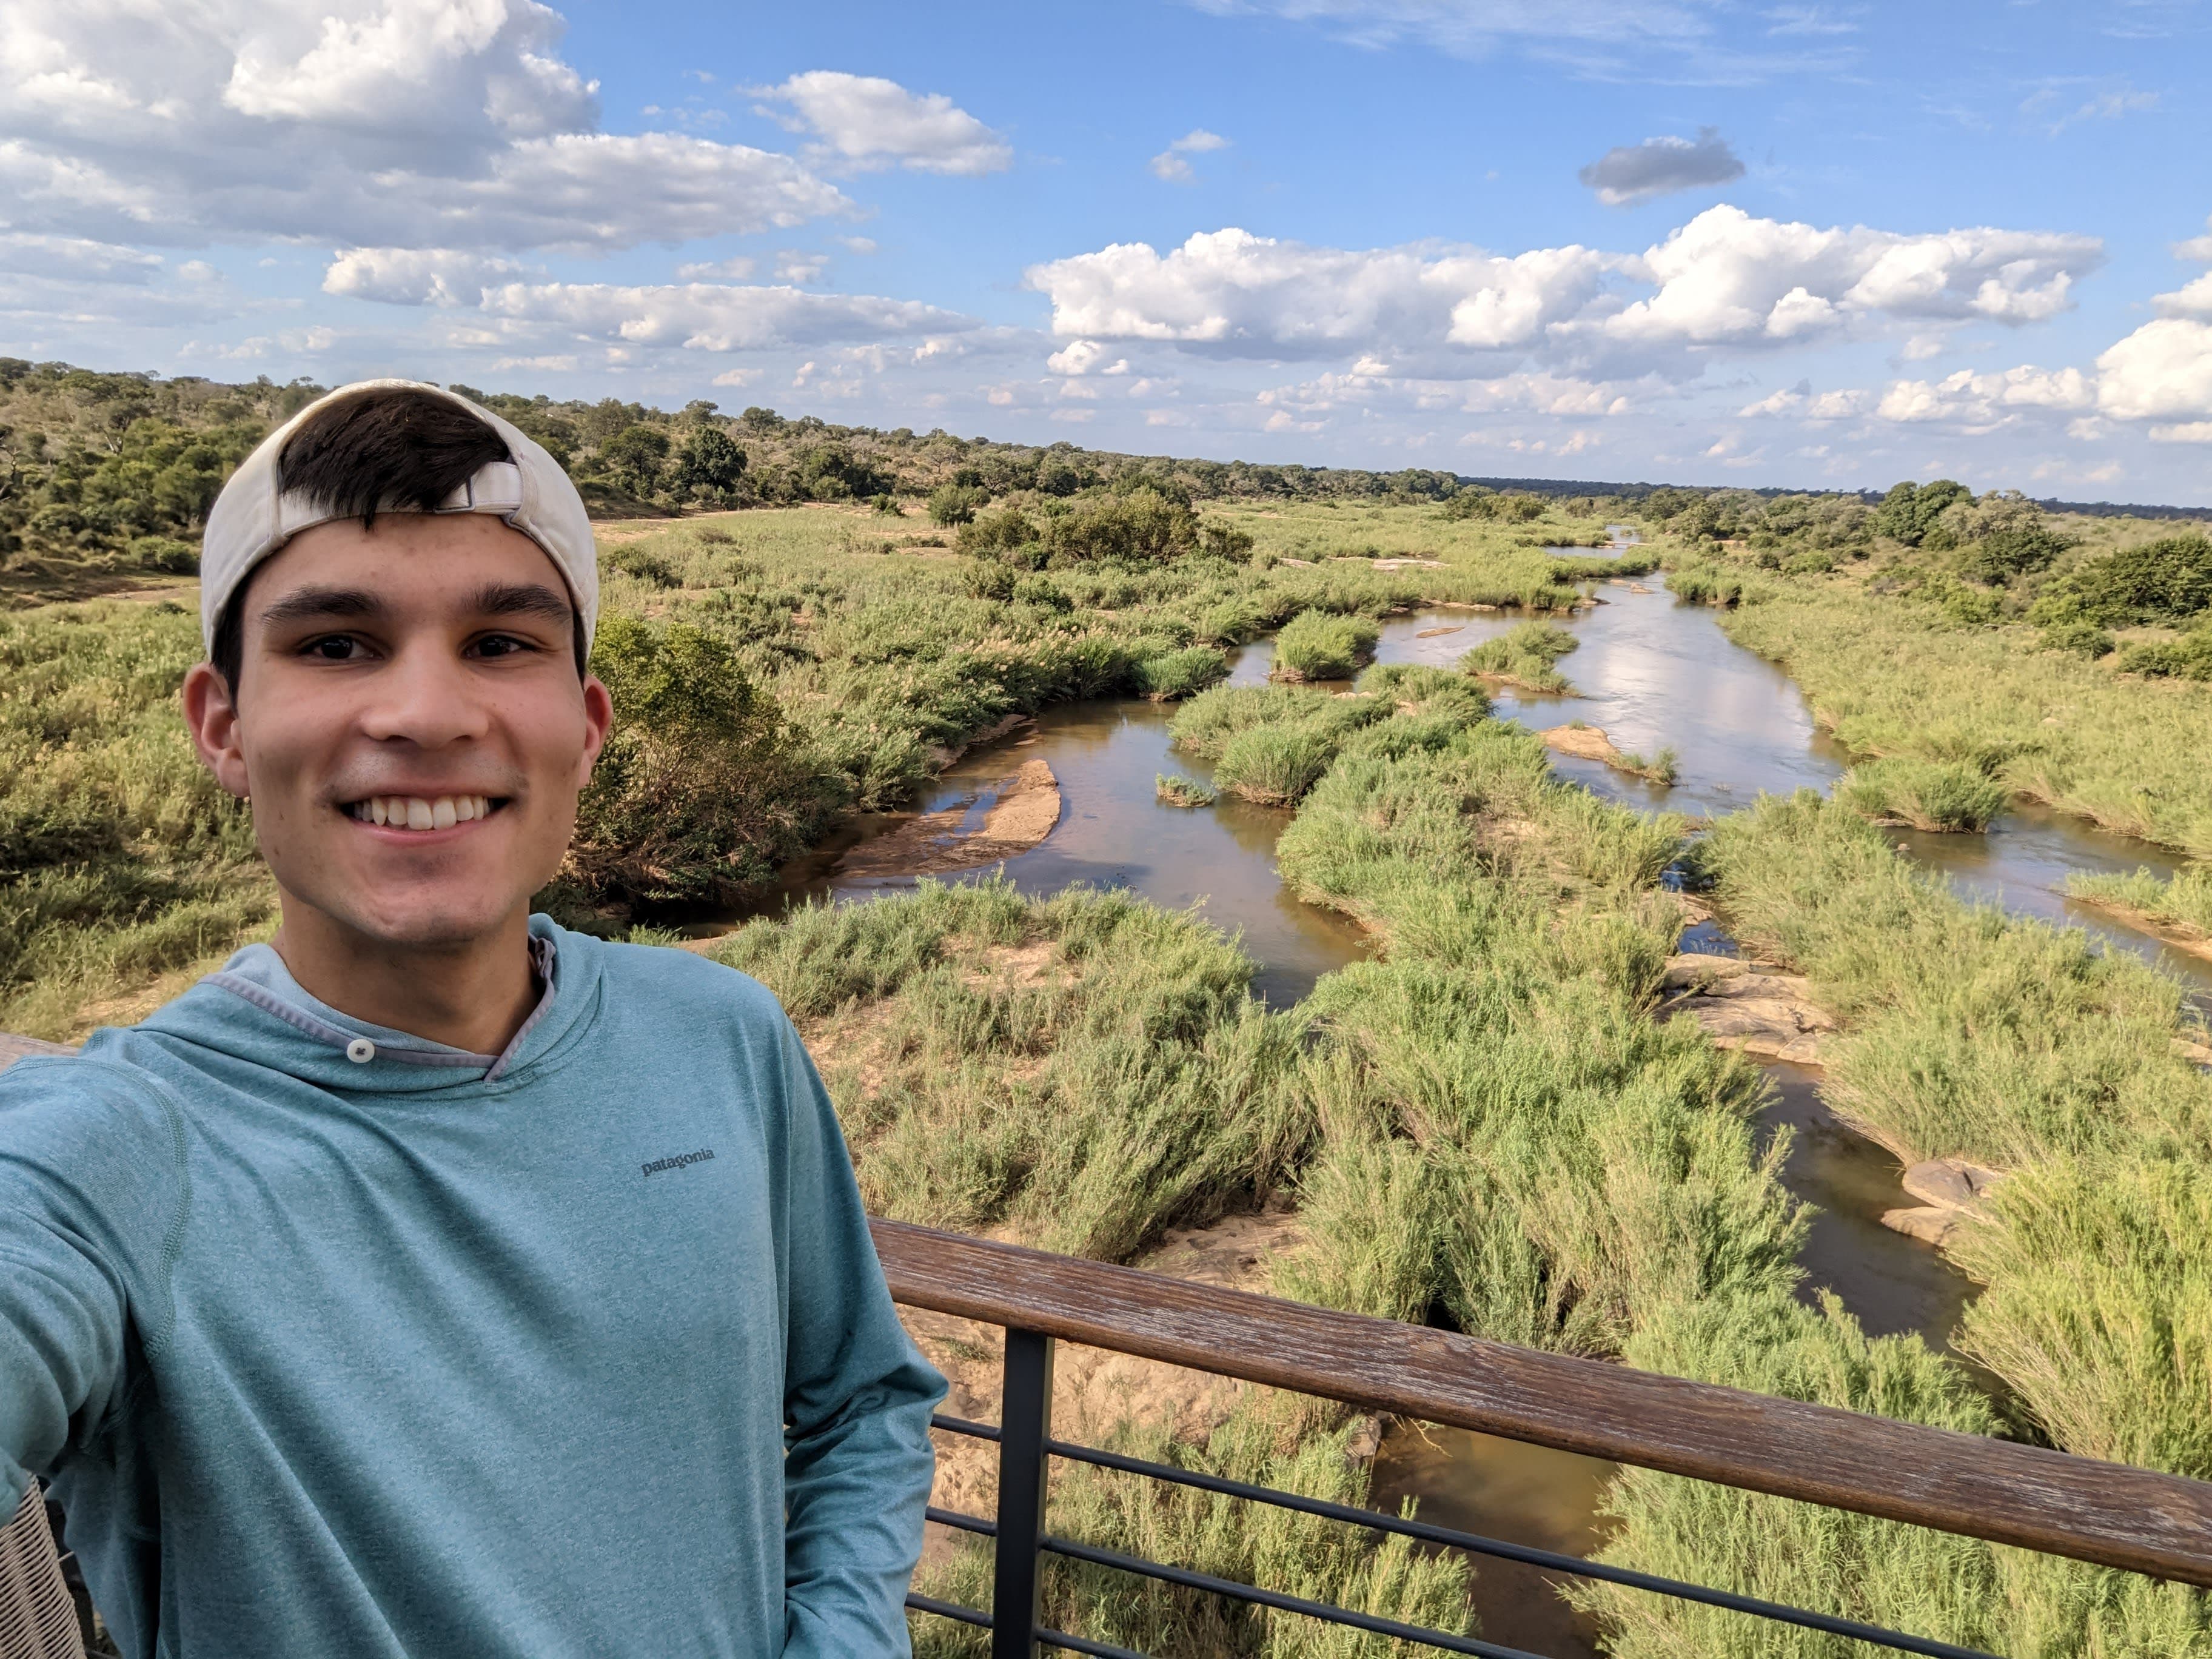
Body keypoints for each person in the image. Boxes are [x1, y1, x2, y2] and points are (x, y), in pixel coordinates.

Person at [0, 381, 945, 1657]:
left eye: (501, 643)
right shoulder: (120, 1155)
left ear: (587, 729)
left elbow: (863, 1400)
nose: (428, 714)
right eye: (337, 644)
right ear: (223, 727)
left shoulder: (723, 1031)